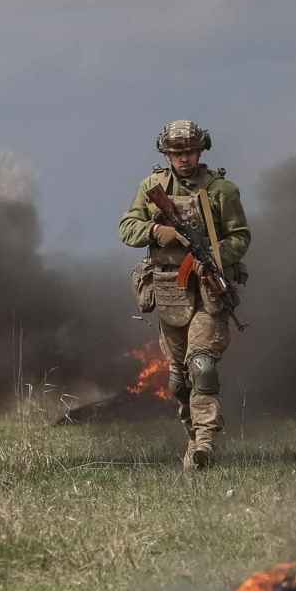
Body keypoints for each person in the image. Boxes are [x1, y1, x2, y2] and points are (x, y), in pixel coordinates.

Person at [118, 120, 251, 471]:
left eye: (190, 152)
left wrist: (212, 256)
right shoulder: (153, 186)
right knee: (178, 379)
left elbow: (240, 237)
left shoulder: (222, 190)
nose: (184, 159)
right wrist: (158, 231)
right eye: (177, 153)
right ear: (166, 154)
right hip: (169, 291)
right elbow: (127, 227)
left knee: (202, 365)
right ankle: (193, 436)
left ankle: (205, 442)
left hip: (207, 291)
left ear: (201, 150)